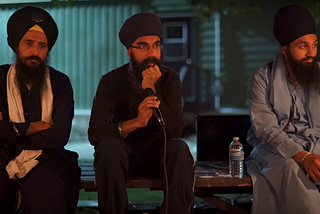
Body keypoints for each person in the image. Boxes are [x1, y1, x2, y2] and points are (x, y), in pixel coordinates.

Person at [88, 12, 195, 214]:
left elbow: (176, 129)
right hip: (122, 155)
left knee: (179, 148)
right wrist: (135, 123)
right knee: (108, 148)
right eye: (143, 46)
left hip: (157, 155)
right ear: (129, 51)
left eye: (155, 45)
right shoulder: (110, 81)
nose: (151, 53)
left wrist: (151, 90)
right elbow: (95, 133)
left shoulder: (170, 78)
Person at [0, 6, 81, 214]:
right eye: (29, 43)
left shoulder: (60, 83)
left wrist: (10, 132)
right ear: (16, 45)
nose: (35, 52)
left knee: (47, 192)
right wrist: (30, 127)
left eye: (42, 46)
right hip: (2, 158)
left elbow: (59, 135)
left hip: (47, 159)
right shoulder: (0, 79)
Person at [246, 4, 320, 214]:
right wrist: (304, 157)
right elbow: (267, 130)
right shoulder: (262, 79)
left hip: (317, 144)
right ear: (285, 48)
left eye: (314, 45)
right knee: (290, 170)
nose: (311, 53)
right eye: (303, 46)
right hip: (274, 149)